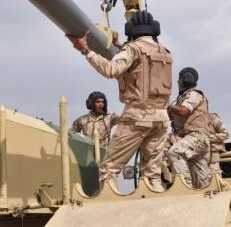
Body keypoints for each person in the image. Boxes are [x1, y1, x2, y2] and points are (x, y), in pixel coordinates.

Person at [66, 11, 173, 192]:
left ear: (131, 30)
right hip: (161, 119)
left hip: (137, 117)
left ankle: (107, 211)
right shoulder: (165, 51)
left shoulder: (132, 49)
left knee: (108, 169)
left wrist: (85, 49)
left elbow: (110, 70)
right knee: (152, 173)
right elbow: (141, 65)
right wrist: (119, 45)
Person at [167, 68, 212, 189]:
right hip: (192, 140)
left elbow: (183, 111)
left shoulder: (194, 94)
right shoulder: (183, 98)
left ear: (187, 79)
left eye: (180, 78)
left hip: (197, 137)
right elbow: (172, 116)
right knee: (202, 184)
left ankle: (185, 187)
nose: (178, 81)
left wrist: (167, 105)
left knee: (174, 152)